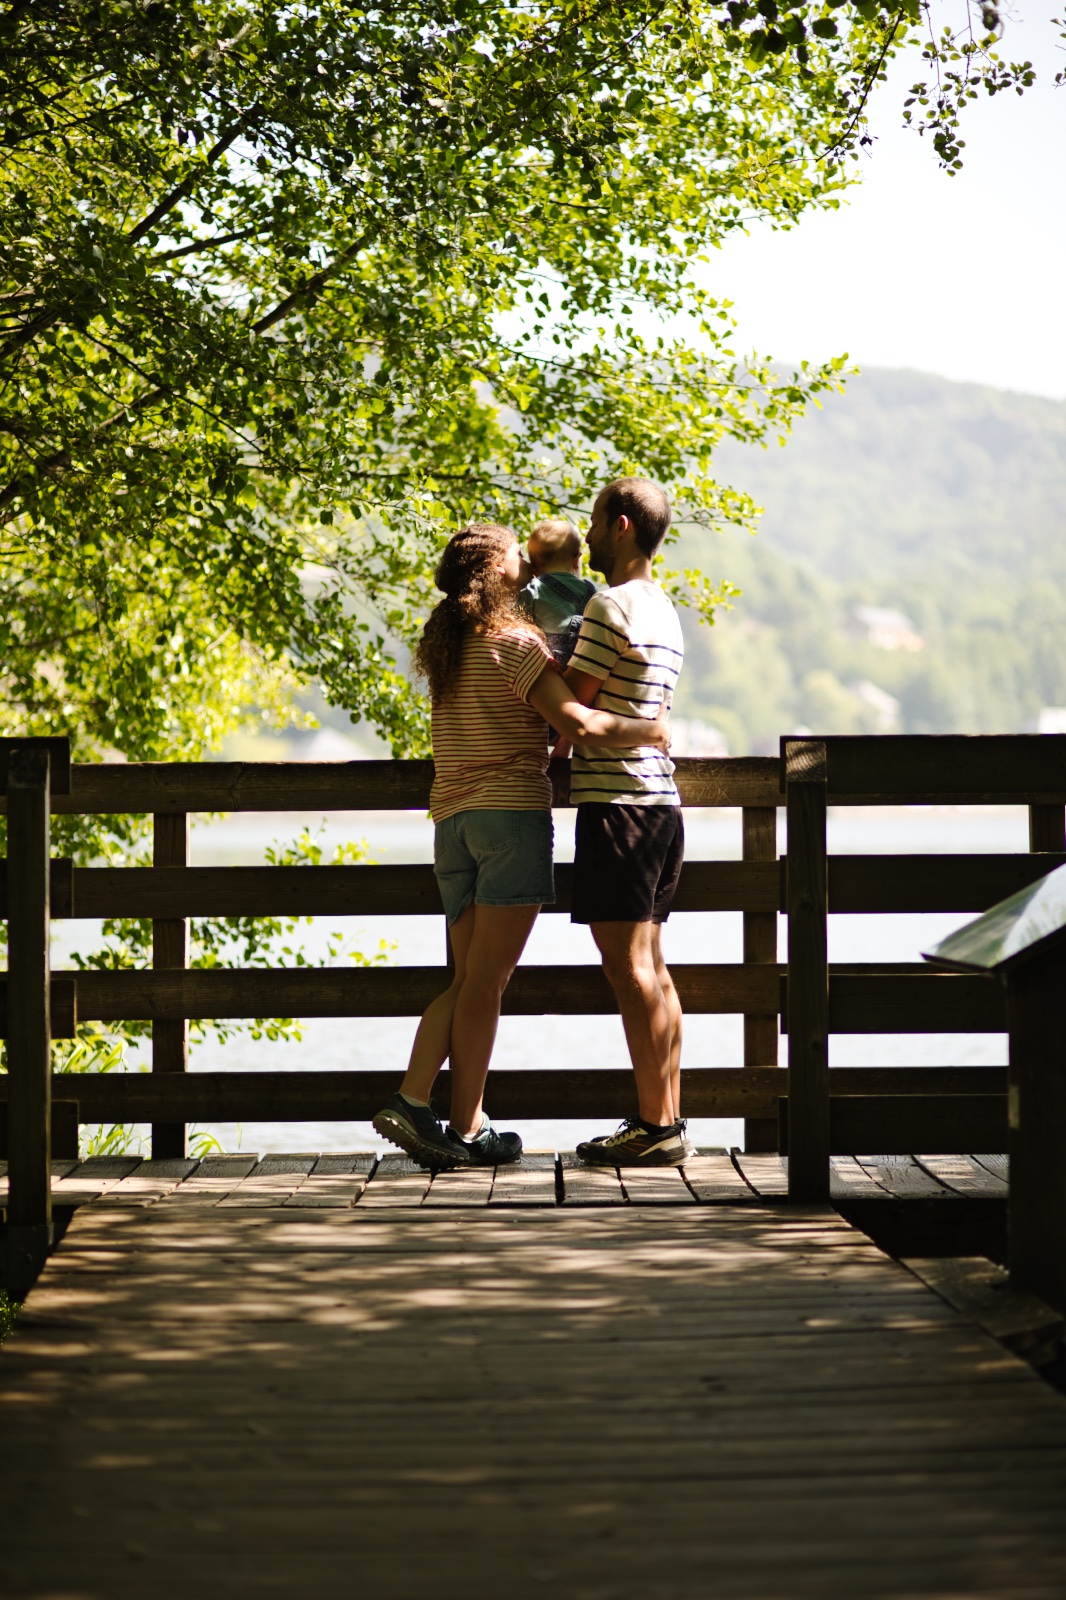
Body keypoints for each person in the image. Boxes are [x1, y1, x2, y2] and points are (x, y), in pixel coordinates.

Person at [373, 521, 671, 1171]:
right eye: (515, 555)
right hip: (509, 819)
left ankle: (468, 1124)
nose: (526, 563)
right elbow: (576, 721)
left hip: (451, 824)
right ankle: (412, 1096)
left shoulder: (450, 649)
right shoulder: (517, 644)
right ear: (497, 571)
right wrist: (648, 730)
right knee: (484, 982)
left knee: (474, 980)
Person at [563, 478, 691, 1167]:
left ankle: (654, 1125)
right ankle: (665, 1116)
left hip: (617, 806)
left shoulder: (608, 605)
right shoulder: (664, 609)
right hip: (661, 809)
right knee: (654, 970)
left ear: (618, 525)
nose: (585, 536)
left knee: (630, 972)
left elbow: (574, 710)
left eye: (591, 522)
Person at [519, 516, 598, 666]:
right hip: (579, 664)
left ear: (533, 568)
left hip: (545, 663)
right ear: (576, 559)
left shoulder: (534, 588)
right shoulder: (590, 590)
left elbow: (516, 624)